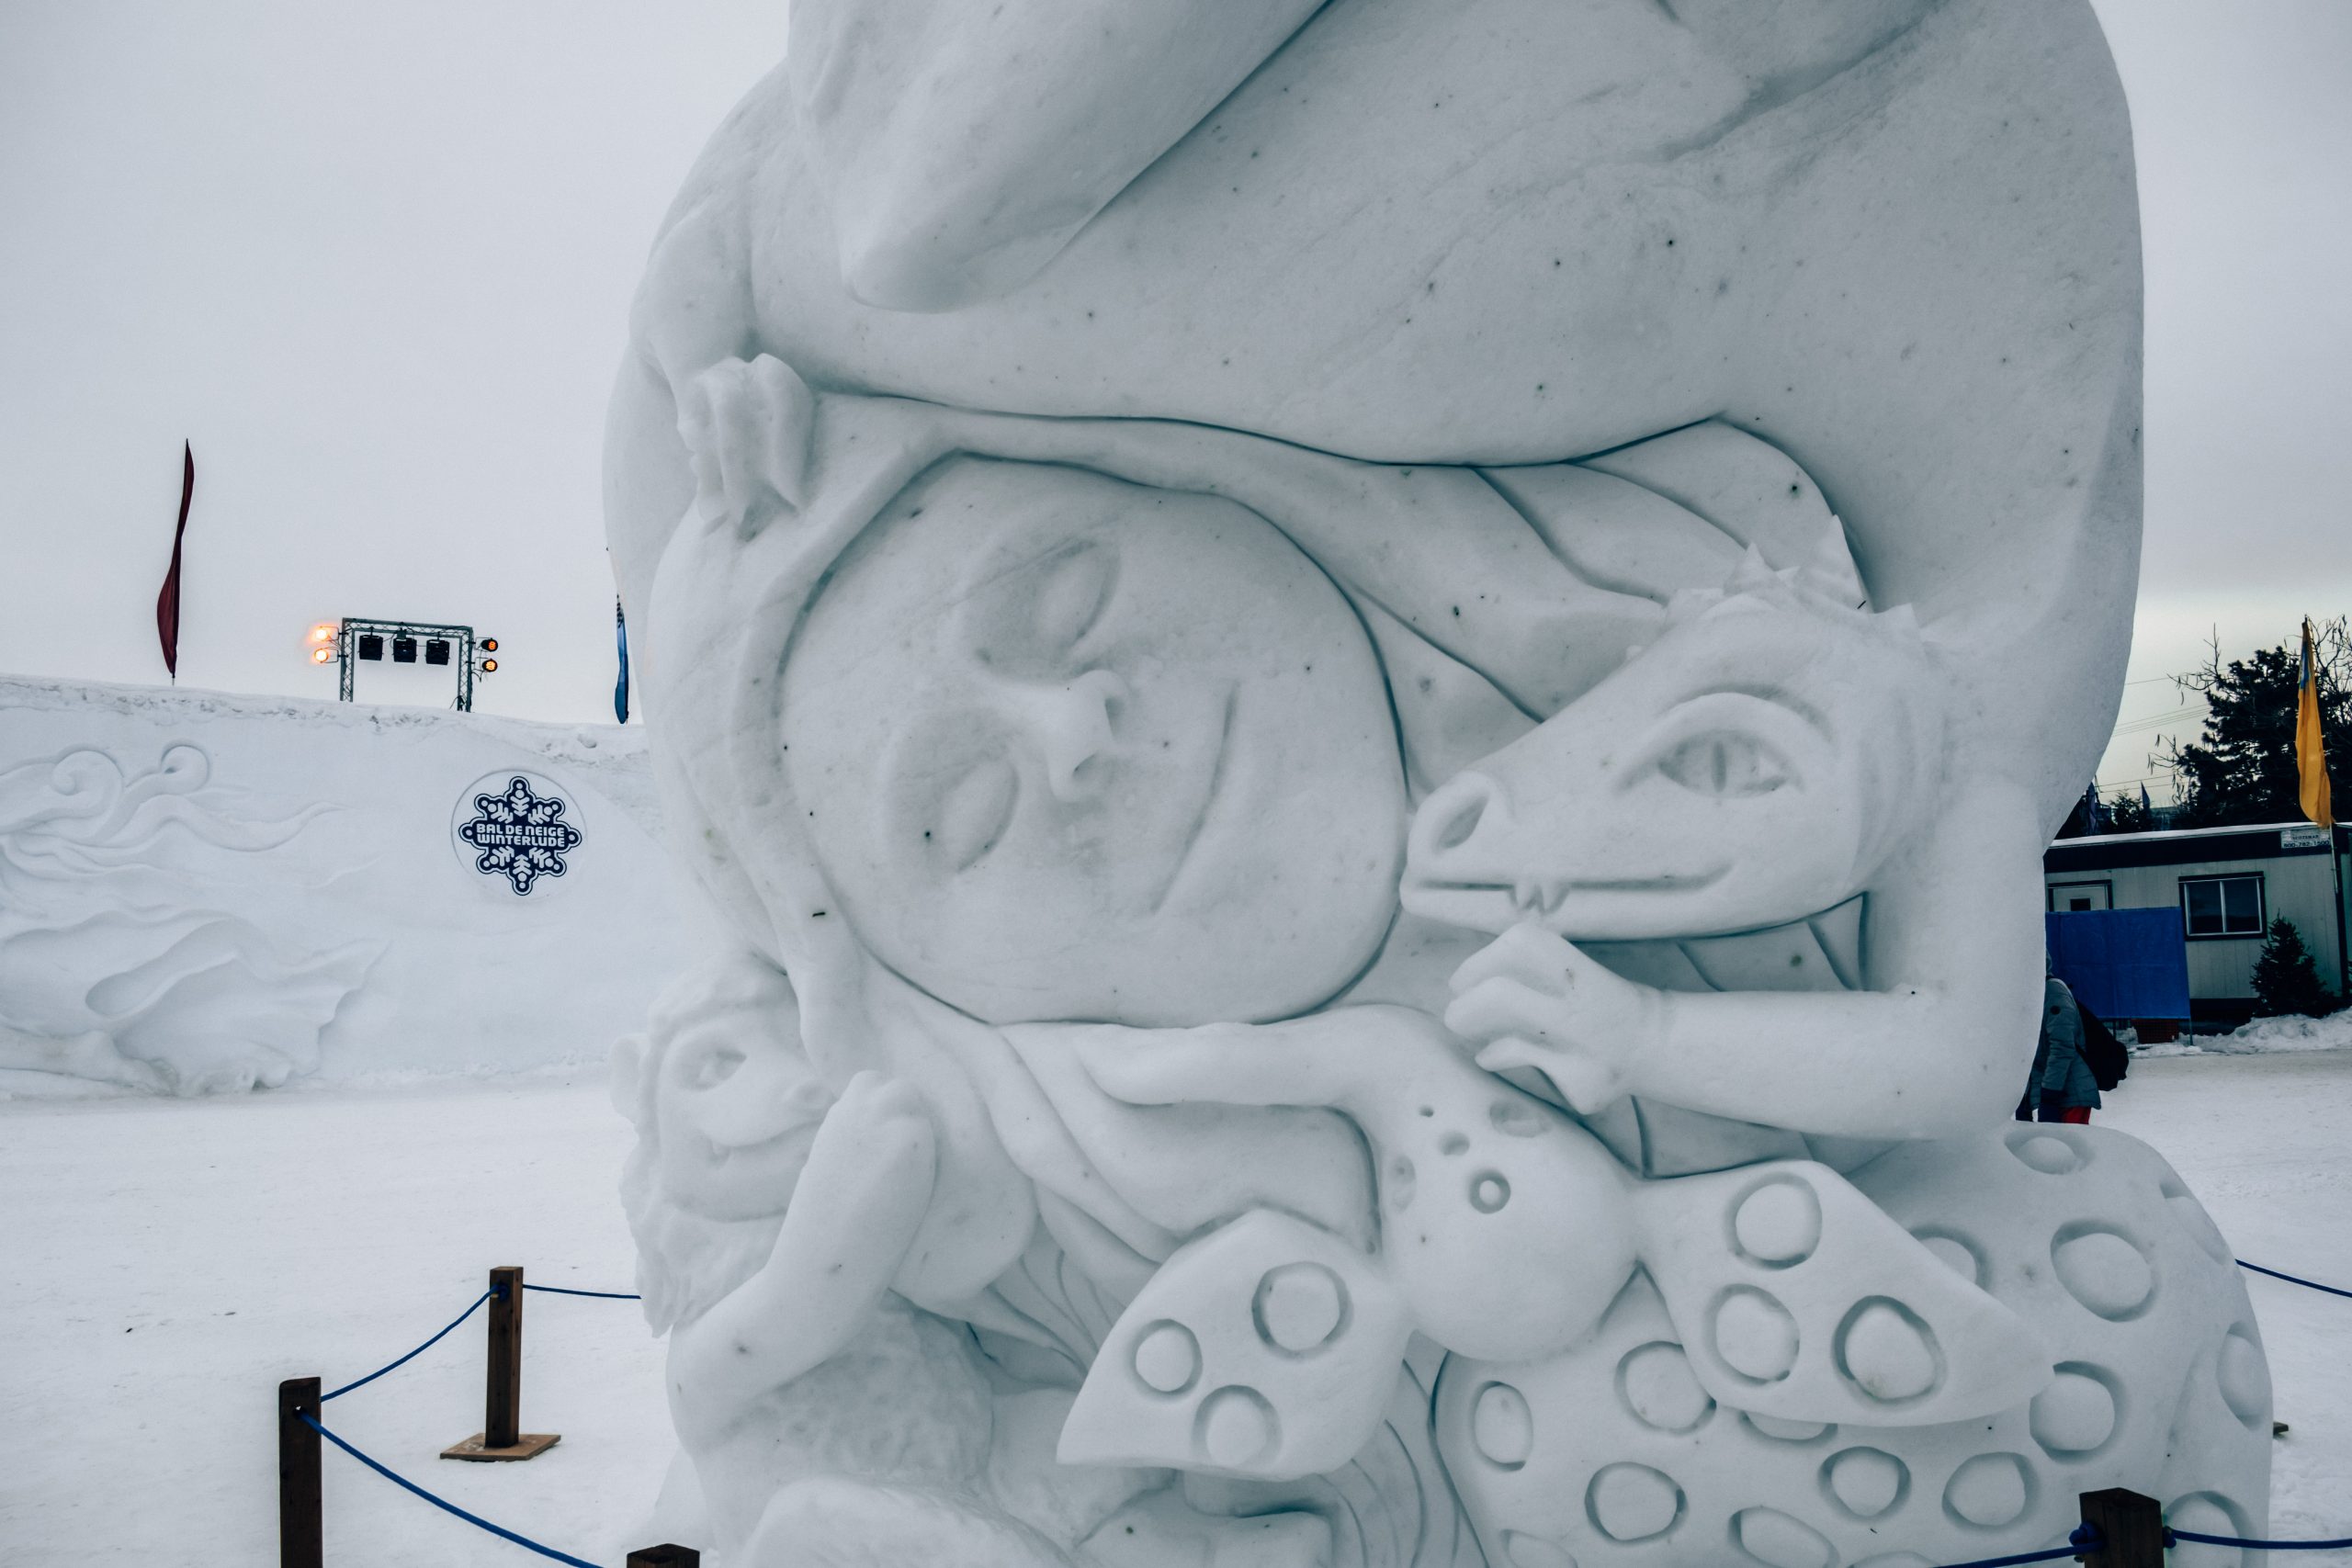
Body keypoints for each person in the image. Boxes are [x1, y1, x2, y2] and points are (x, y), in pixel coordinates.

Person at [2019, 973, 2101, 1123]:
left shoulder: (2052, 991)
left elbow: (2062, 1047)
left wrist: (2049, 1095)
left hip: (2069, 1094)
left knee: (2068, 1145)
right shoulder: (2028, 993)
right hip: (2053, 1092)